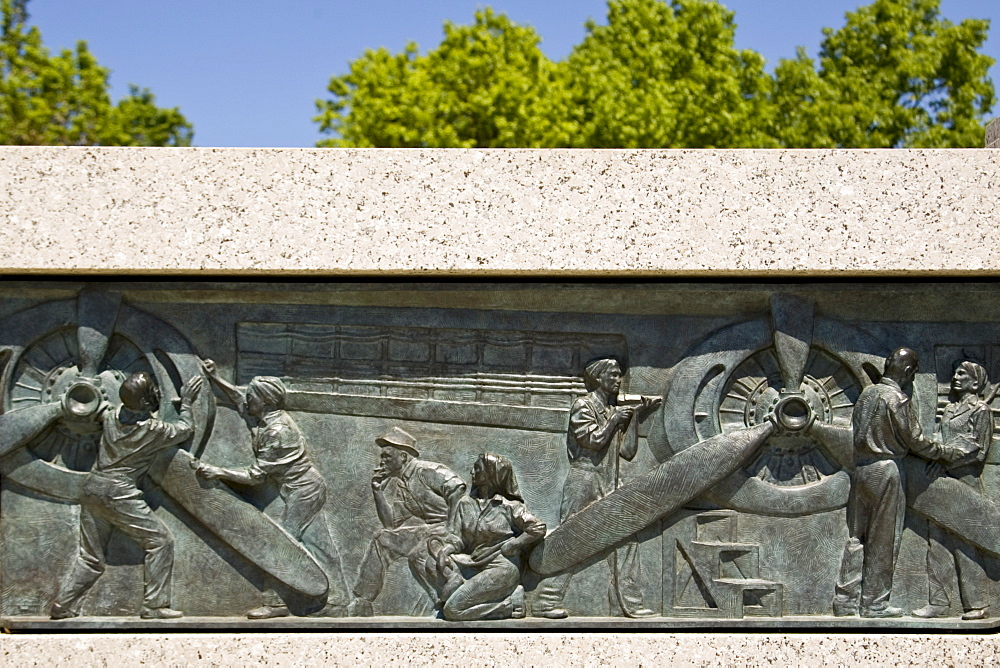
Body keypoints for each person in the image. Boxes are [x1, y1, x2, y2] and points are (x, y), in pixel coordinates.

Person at [195, 361, 349, 619]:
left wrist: (217, 471)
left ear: (264, 402)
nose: (247, 400)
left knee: (280, 544)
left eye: (252, 396)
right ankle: (338, 602)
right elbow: (239, 398)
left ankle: (276, 603)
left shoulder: (278, 432)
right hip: (301, 488)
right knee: (320, 544)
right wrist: (216, 377)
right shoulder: (266, 417)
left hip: (304, 489)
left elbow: (256, 476)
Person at [51, 372, 202, 620]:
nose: (155, 394)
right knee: (161, 542)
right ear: (144, 403)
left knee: (90, 557)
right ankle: (154, 606)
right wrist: (186, 402)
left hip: (92, 488)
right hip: (119, 493)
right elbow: (185, 430)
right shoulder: (154, 430)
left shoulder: (110, 417)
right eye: (151, 392)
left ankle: (63, 605)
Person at [832, 347, 963, 618]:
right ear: (907, 372)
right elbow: (914, 441)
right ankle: (874, 604)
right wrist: (945, 453)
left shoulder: (866, 394)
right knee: (883, 539)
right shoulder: (897, 399)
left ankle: (845, 600)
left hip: (862, 470)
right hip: (885, 471)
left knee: (856, 536)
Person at [533, 357, 661, 619]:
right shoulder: (584, 405)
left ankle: (629, 603)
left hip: (611, 480)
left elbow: (627, 452)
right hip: (585, 480)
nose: (618, 380)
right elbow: (592, 441)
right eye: (613, 375)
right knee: (571, 540)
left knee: (627, 538)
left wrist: (633, 417)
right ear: (599, 377)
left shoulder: (612, 410)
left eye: (619, 375)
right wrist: (615, 419)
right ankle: (544, 602)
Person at [348, 426, 465, 616]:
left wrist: (453, 529)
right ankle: (363, 601)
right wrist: (377, 491)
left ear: (402, 457)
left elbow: (457, 489)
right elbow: (391, 524)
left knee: (418, 553)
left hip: (451, 528)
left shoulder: (426, 470)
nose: (382, 461)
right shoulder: (403, 484)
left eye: (386, 456)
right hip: (431, 529)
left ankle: (448, 600)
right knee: (382, 539)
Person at [913, 361, 993, 621]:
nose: (956, 377)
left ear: (976, 381)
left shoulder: (981, 410)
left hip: (965, 482)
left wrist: (945, 460)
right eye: (956, 372)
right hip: (941, 479)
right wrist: (936, 455)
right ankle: (939, 601)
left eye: (962, 374)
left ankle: (977, 604)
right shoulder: (949, 410)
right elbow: (940, 438)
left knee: (964, 544)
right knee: (935, 540)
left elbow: (978, 449)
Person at [431, 452, 545, 621]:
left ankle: (508, 606)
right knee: (428, 561)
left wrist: (514, 544)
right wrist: (446, 550)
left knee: (452, 610)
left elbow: (537, 528)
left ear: (491, 473)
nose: (472, 472)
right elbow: (457, 538)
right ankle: (461, 588)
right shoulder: (465, 503)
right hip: (472, 563)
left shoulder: (509, 507)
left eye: (477, 468)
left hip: (501, 568)